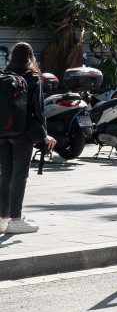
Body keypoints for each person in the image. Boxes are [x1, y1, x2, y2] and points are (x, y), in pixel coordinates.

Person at [0, 43, 56, 234]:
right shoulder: (32, 78)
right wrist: (43, 134)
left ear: (11, 57)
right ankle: (16, 220)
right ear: (30, 57)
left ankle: (3, 219)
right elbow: (38, 111)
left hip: (2, 133)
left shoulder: (3, 76)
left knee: (5, 175)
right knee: (19, 176)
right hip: (22, 135)